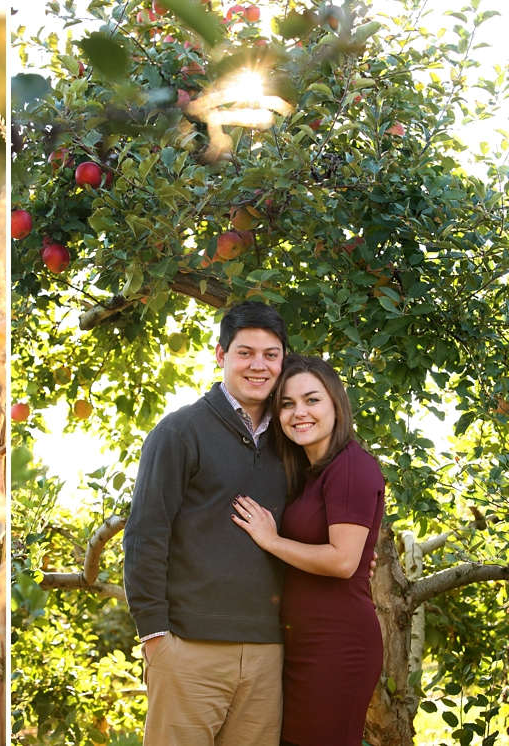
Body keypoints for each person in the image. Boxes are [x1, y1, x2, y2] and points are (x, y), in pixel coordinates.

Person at [123, 300, 289, 746]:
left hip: (268, 651)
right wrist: (155, 635)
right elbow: (145, 535)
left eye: (271, 354)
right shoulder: (179, 432)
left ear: (283, 361)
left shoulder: (294, 440)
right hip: (188, 648)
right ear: (221, 355)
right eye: (245, 352)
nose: (259, 365)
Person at [232, 354, 384, 746]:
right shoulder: (310, 472)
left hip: (335, 646)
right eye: (287, 403)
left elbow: (342, 561)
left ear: (336, 403)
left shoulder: (351, 467)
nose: (299, 412)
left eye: (312, 400)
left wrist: (271, 540)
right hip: (301, 644)